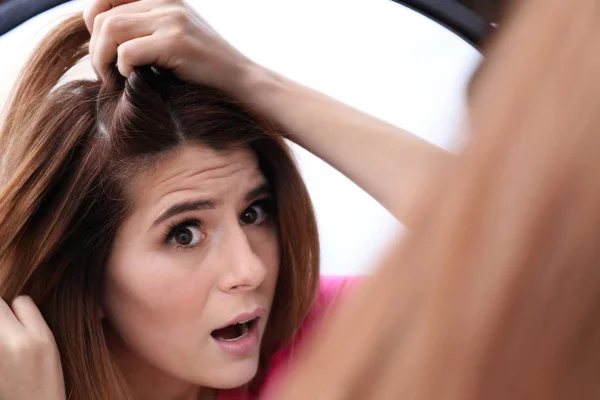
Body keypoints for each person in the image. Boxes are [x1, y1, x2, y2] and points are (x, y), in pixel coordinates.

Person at [0, 1, 447, 399]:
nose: (249, 269)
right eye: (185, 233)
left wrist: (250, 81)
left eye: (253, 213)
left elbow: (504, 251)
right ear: (84, 273)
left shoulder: (322, 341)